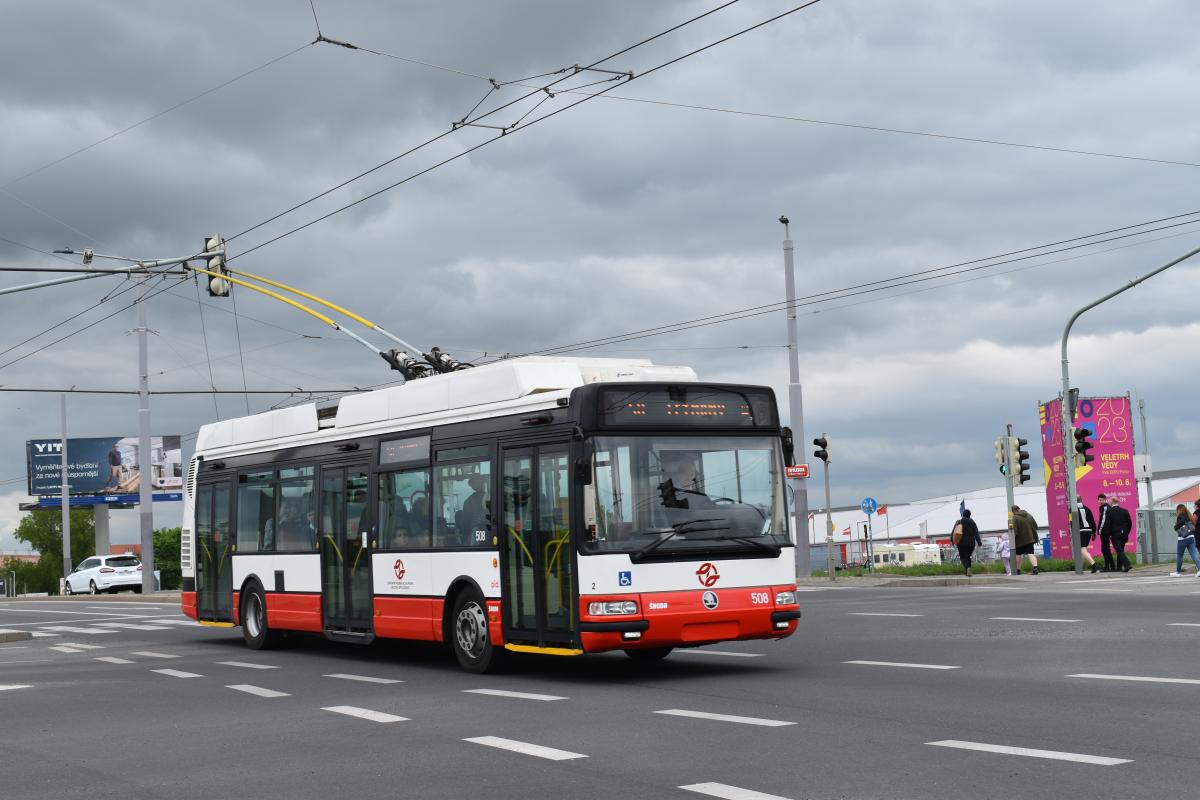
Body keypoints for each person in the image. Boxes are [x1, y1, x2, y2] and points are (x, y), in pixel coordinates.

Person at [1170, 503, 1200, 577]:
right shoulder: (1190, 516)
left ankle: (1177, 572)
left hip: (1182, 539)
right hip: (1191, 537)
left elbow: (1177, 526)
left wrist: (1175, 526)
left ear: (1179, 510)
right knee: (1194, 555)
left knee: (1180, 555)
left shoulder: (1180, 516)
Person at [1105, 495, 1133, 572]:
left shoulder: (1109, 511)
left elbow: (1108, 524)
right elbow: (1130, 523)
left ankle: (1127, 564)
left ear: (1112, 502)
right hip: (1124, 534)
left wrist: (1109, 534)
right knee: (1120, 550)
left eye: (1110, 501)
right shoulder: (1125, 511)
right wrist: (1126, 532)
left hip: (1115, 534)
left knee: (1119, 551)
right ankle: (1119, 567)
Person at [1011, 504, 1040, 575]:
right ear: (1019, 509)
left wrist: (1012, 539)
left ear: (1013, 511)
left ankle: (1018, 570)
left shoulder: (1015, 517)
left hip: (1020, 541)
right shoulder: (1029, 515)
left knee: (1018, 554)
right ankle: (1035, 568)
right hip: (1030, 538)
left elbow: (1015, 531)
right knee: (1030, 553)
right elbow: (1036, 526)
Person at [954, 508, 983, 576]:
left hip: (962, 542)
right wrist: (979, 542)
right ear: (970, 515)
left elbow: (955, 532)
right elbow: (976, 533)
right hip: (971, 542)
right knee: (968, 556)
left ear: (963, 514)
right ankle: (967, 571)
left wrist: (953, 540)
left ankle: (967, 568)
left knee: (963, 557)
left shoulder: (960, 521)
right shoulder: (973, 522)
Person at [1075, 496, 1099, 574]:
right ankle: (1080, 568)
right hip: (1088, 531)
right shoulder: (1087, 509)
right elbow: (1092, 520)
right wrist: (1093, 532)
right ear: (1081, 500)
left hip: (1080, 531)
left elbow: (1072, 522)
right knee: (1084, 549)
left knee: (1082, 549)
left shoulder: (1073, 510)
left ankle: (1094, 565)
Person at [1095, 493, 1115, 572]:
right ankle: (1110, 566)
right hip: (1106, 531)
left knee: (1105, 549)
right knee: (1105, 549)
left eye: (1102, 500)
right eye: (1099, 500)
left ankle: (1109, 567)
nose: (1100, 501)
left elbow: (1103, 520)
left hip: (1105, 531)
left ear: (1105, 500)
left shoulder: (1105, 507)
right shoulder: (1103, 507)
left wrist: (1099, 530)